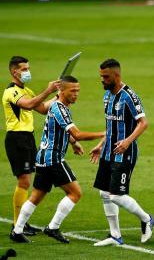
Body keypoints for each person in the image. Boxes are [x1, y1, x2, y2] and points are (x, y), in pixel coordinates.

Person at [9, 75, 105, 243]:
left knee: (37, 196)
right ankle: (53, 227)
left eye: (78, 91)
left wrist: (73, 143)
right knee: (75, 193)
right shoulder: (59, 108)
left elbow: (64, 132)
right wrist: (103, 133)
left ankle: (17, 231)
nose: (76, 94)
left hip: (44, 158)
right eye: (73, 91)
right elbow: (78, 133)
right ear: (61, 90)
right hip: (52, 159)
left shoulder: (59, 107)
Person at [90, 58, 154, 246]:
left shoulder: (129, 96)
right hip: (108, 152)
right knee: (104, 192)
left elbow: (144, 123)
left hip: (124, 152)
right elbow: (110, 125)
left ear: (116, 75)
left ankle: (146, 219)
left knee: (116, 195)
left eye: (105, 76)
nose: (101, 80)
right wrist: (101, 144)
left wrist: (127, 141)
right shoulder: (107, 96)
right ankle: (115, 235)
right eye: (100, 76)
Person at [2, 56, 60, 236]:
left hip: (27, 138)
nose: (28, 71)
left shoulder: (25, 89)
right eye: (24, 69)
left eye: (28, 68)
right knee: (24, 181)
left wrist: (59, 96)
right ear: (15, 71)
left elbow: (42, 108)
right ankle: (17, 225)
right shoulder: (11, 92)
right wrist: (48, 90)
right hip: (17, 139)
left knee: (26, 181)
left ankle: (21, 224)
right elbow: (28, 105)